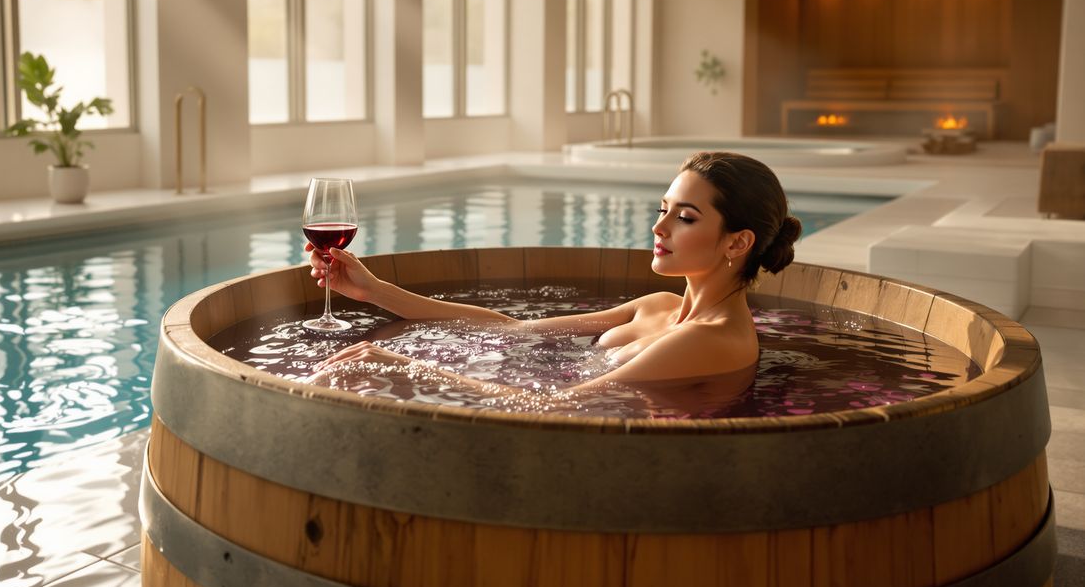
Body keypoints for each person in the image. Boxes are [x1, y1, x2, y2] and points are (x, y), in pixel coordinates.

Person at [308, 151, 803, 393]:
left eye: (685, 217)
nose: (659, 226)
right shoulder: (660, 306)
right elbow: (514, 330)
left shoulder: (712, 339)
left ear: (737, 242)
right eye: (663, 209)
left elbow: (558, 405)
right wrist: (374, 291)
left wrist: (406, 367)